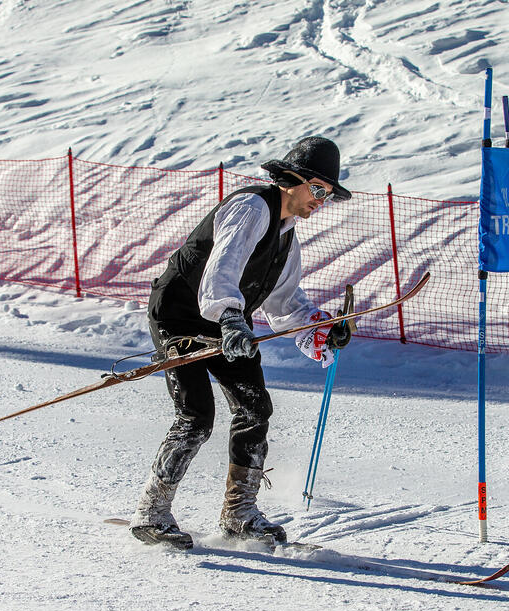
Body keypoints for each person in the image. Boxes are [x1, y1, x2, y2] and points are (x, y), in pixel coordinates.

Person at [129, 136, 354, 549]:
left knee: (255, 408)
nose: (321, 200)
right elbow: (222, 269)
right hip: (181, 315)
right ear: (292, 179)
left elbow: (285, 304)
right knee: (196, 416)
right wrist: (232, 317)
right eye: (318, 189)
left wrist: (321, 329)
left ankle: (239, 514)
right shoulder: (251, 207)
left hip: (227, 321)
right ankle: (152, 511)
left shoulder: (287, 237)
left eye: (328, 194)